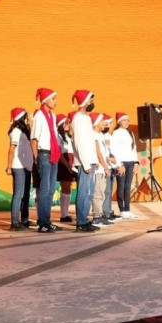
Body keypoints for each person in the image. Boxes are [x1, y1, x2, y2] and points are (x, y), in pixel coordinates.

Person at [29, 87, 60, 234]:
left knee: (51, 189)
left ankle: (47, 220)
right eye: (53, 99)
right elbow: (34, 139)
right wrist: (36, 158)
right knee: (44, 189)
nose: (56, 102)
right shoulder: (39, 116)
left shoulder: (52, 117)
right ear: (45, 100)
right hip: (44, 154)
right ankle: (42, 222)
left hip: (53, 154)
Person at [70, 90, 100, 232]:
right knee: (83, 191)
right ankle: (80, 222)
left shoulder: (86, 118)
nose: (91, 103)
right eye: (90, 100)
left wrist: (94, 159)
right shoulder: (77, 119)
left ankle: (85, 219)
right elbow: (79, 142)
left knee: (89, 191)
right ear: (83, 102)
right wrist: (86, 162)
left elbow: (89, 141)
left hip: (90, 160)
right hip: (84, 162)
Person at [5, 107, 33, 231]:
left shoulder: (25, 131)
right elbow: (12, 149)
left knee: (26, 194)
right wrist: (9, 166)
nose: (27, 119)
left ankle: (25, 219)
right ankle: (14, 222)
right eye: (26, 117)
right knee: (18, 194)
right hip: (18, 166)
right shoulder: (16, 131)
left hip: (26, 166)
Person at [110, 112, 139, 219]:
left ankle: (127, 209)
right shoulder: (116, 133)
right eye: (124, 120)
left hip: (130, 162)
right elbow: (114, 149)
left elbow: (134, 149)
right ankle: (122, 210)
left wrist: (136, 163)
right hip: (121, 163)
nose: (127, 122)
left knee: (127, 187)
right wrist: (119, 164)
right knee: (121, 186)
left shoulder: (130, 133)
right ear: (119, 122)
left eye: (128, 120)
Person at [100, 114, 124, 222]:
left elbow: (115, 153)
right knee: (106, 191)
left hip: (112, 166)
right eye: (106, 123)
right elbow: (108, 154)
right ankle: (105, 213)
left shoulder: (110, 137)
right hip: (106, 167)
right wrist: (116, 164)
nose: (107, 125)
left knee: (109, 191)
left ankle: (108, 211)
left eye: (109, 123)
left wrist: (118, 164)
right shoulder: (102, 137)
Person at [56, 112, 75, 223]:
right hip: (64, 162)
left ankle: (66, 214)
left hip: (71, 160)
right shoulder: (58, 136)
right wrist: (67, 165)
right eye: (66, 123)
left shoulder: (69, 136)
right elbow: (59, 153)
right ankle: (63, 215)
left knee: (69, 188)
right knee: (65, 187)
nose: (68, 125)